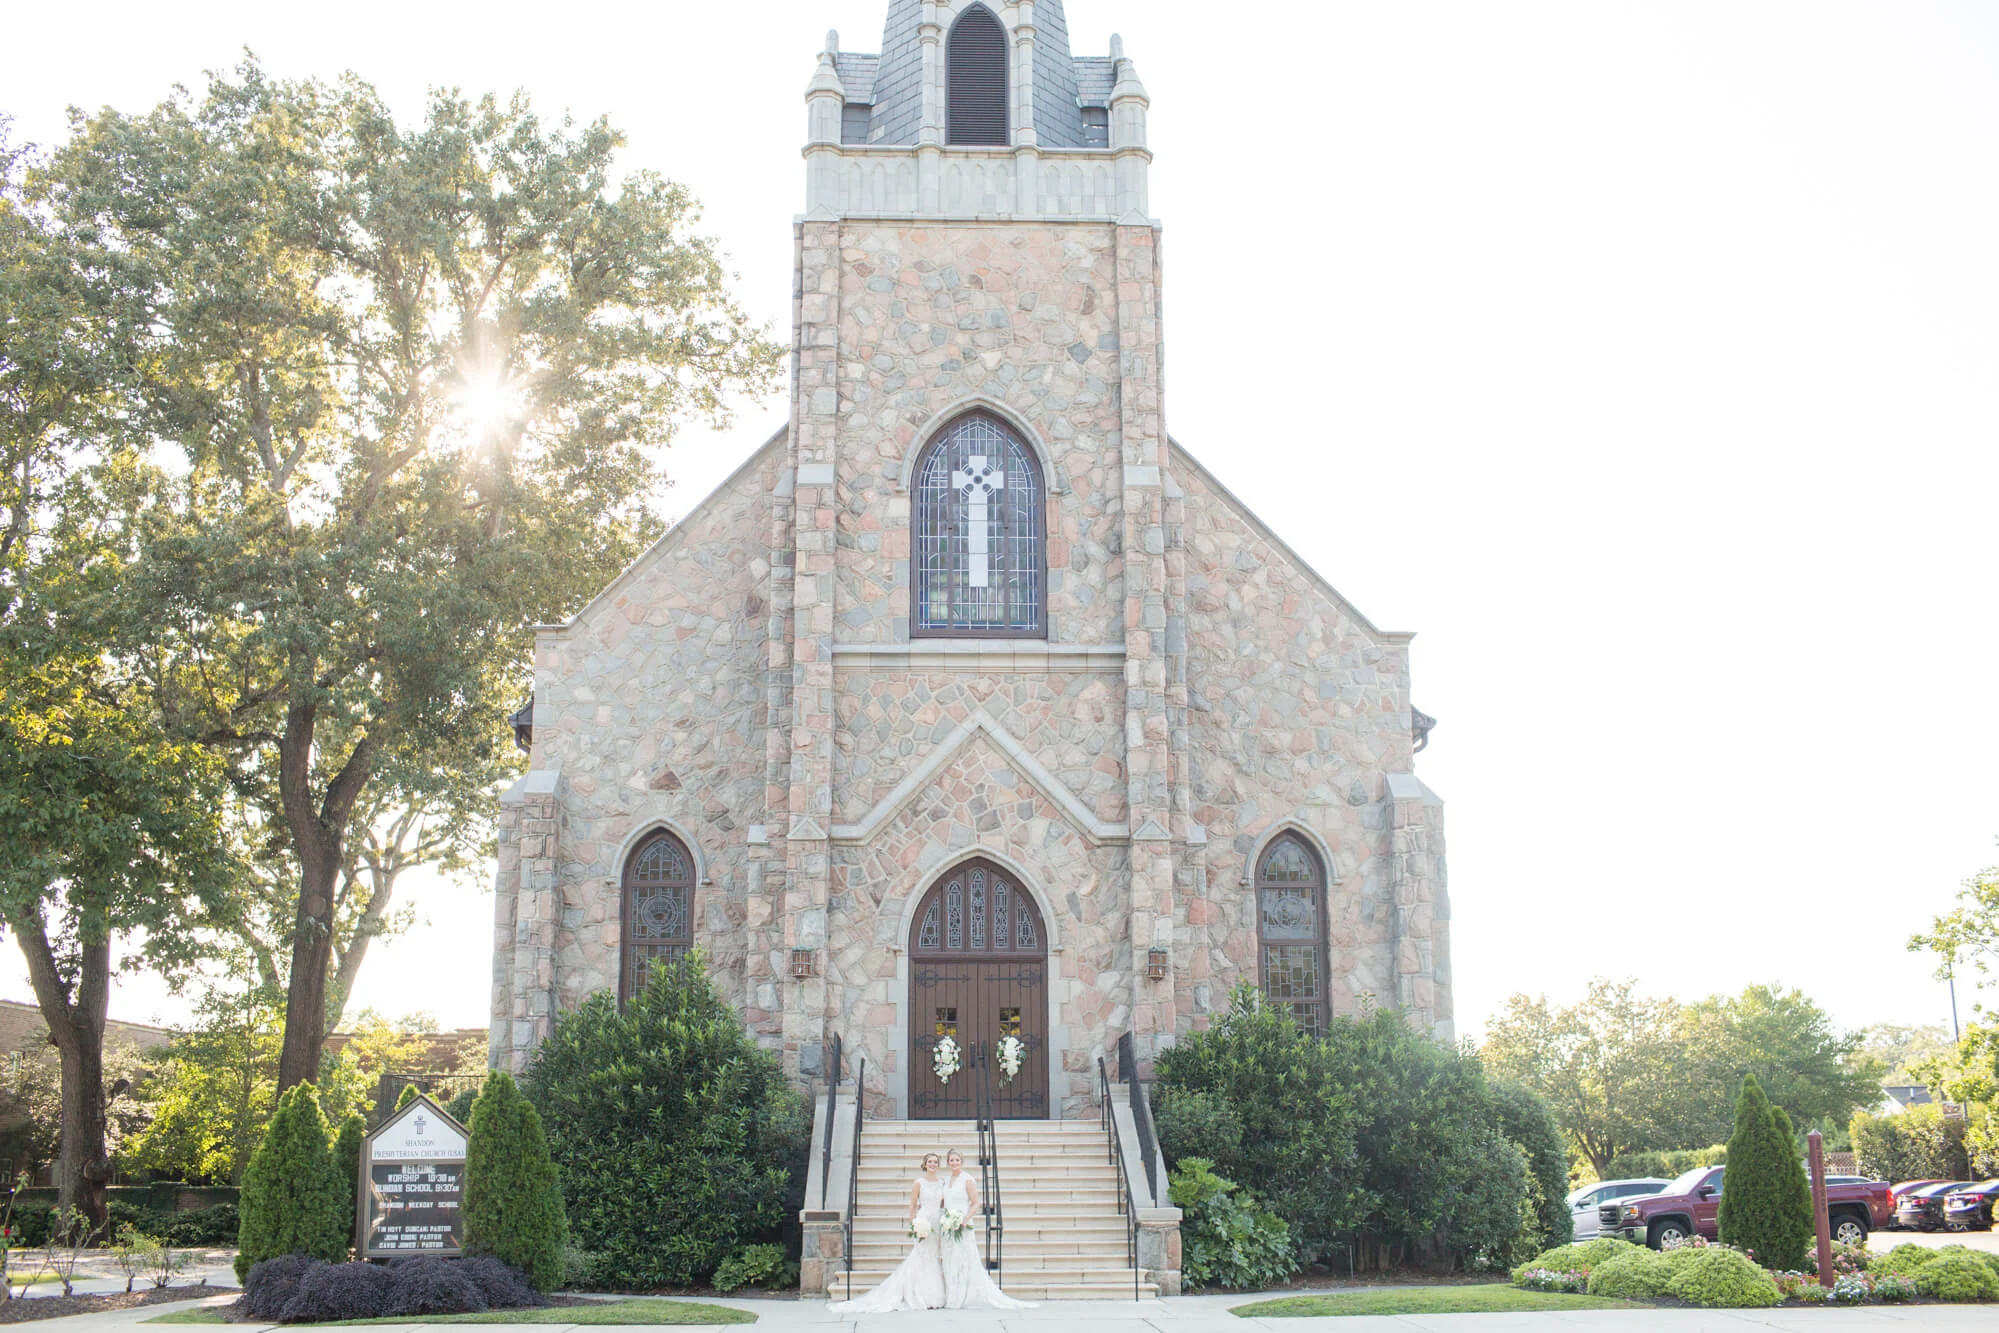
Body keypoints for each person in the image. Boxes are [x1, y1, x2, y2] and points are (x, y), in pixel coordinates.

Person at [827, 1152, 948, 1312]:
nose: (932, 1164)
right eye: (930, 1162)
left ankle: (933, 1294)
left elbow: (943, 1204)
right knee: (922, 1256)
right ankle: (921, 1295)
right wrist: (914, 1224)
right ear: (924, 1164)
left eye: (935, 1162)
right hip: (923, 1221)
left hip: (936, 1224)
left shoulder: (942, 1183)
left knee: (933, 1256)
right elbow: (912, 1205)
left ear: (938, 1165)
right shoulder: (919, 1182)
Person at [939, 1148, 1036, 1309]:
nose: (954, 1163)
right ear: (948, 1162)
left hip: (962, 1224)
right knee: (949, 1259)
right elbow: (943, 1201)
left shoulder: (967, 1179)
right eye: (951, 1160)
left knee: (962, 1259)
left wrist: (964, 1220)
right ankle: (951, 1294)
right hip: (948, 1224)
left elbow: (976, 1203)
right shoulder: (946, 1180)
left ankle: (962, 1296)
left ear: (961, 1161)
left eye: (957, 1160)